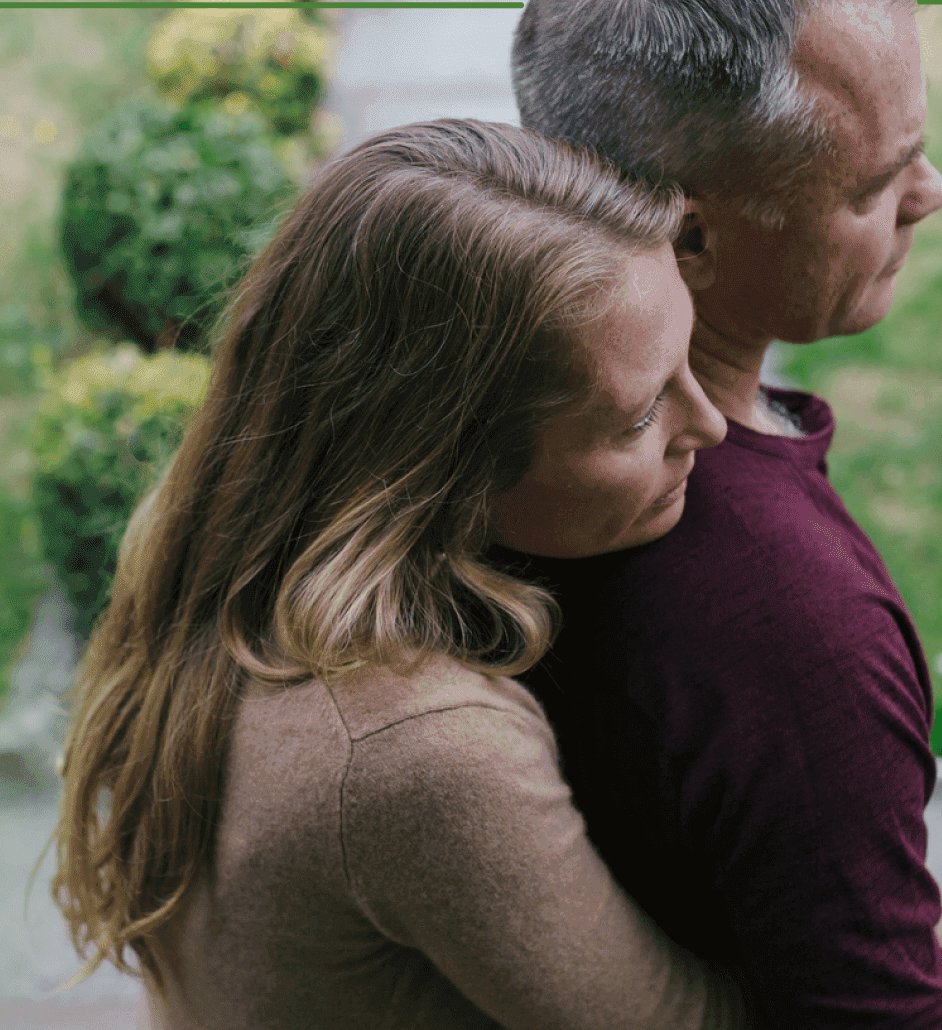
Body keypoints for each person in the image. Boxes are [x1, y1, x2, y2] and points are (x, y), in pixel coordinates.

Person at [50, 117, 750, 1029]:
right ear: (443, 466)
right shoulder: (413, 747)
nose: (709, 427)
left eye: (688, 366)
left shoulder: (231, 549)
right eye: (639, 413)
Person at [499, 0, 942, 1026]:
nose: (930, 193)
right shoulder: (785, 620)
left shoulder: (479, 416)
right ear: (693, 235)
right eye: (870, 186)